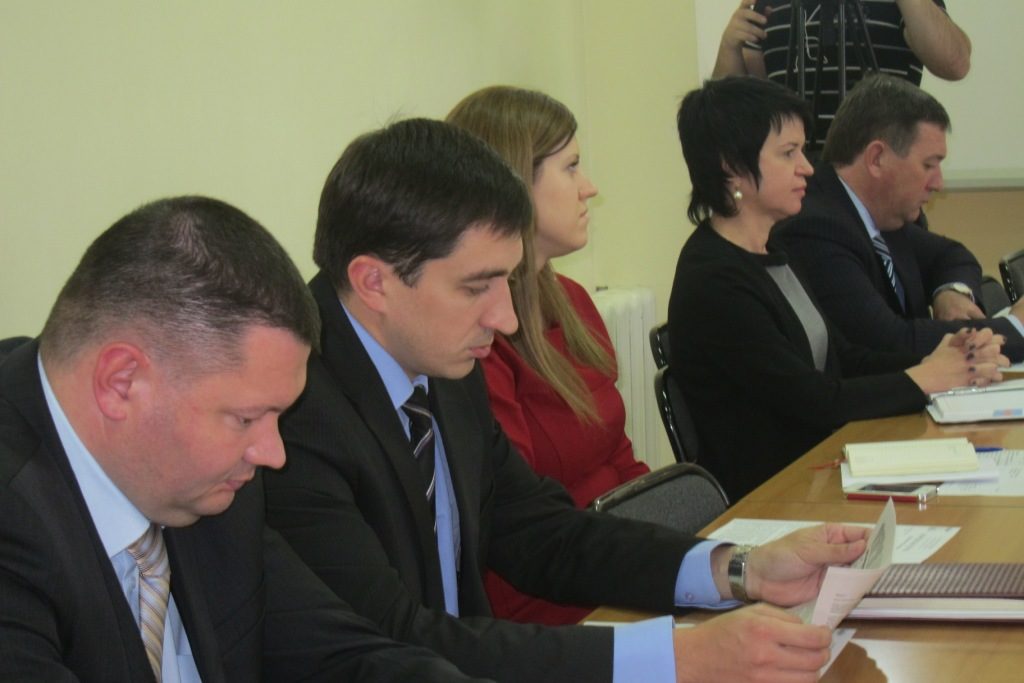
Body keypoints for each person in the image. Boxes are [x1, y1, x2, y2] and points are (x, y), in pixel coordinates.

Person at [264, 116, 876, 683]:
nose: (505, 319)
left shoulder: (437, 355)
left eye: (506, 281)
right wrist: (678, 657)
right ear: (374, 281)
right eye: (477, 287)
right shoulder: (291, 417)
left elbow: (541, 533)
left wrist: (739, 569)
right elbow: (392, 640)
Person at [0, 196, 488, 682]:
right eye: (246, 418)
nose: (273, 454)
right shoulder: (16, 523)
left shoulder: (206, 485)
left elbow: (341, 656)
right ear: (121, 382)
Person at [668, 76, 1007, 502]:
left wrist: (945, 358)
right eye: (788, 153)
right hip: (772, 497)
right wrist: (924, 378)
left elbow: (843, 357)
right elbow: (815, 400)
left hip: (819, 469)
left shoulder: (771, 249)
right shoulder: (714, 279)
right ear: (731, 166)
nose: (807, 167)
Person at [446, 86, 650, 626]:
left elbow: (621, 457)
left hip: (610, 565)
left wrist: (672, 548)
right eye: (572, 167)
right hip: (547, 598)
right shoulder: (475, 341)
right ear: (515, 183)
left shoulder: (573, 302)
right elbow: (520, 524)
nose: (590, 188)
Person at [771, 74, 1024, 362]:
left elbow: (951, 255)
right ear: (877, 158)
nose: (938, 183)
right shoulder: (814, 227)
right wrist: (1016, 328)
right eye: (928, 165)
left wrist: (951, 292)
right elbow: (889, 342)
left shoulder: (885, 214)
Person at [713, 0, 971, 151]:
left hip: (882, 177)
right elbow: (740, 113)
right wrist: (729, 47)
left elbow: (954, 63)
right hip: (797, 182)